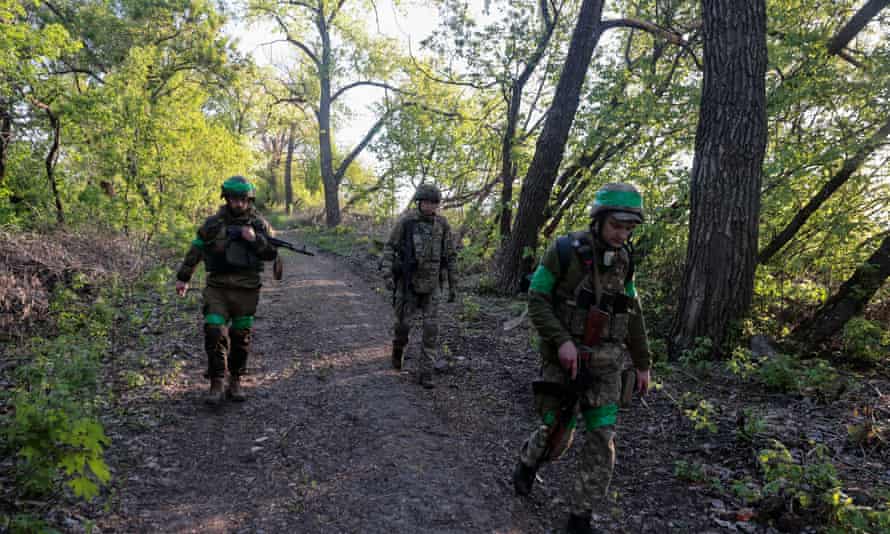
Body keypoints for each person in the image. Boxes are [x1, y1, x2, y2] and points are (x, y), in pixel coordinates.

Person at [512, 183, 653, 534]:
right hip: (565, 361)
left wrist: (643, 362)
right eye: (616, 226)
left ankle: (580, 517)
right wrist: (561, 341)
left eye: (629, 228)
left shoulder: (625, 261)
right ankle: (529, 461)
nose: (622, 234)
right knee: (557, 436)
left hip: (606, 366)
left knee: (602, 438)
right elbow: (537, 298)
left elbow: (632, 313)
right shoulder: (563, 251)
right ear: (599, 220)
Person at [175, 176, 277, 405]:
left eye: (242, 199)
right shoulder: (213, 223)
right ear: (226, 198)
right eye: (233, 199)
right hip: (218, 286)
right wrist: (184, 278)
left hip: (247, 288)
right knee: (213, 330)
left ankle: (236, 380)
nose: (238, 204)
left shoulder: (260, 224)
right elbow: (196, 249)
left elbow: (271, 253)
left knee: (241, 337)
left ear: (249, 199)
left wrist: (255, 240)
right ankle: (217, 381)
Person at [381, 183, 457, 389]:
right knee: (403, 325)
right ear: (419, 202)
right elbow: (389, 248)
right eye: (426, 202)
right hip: (408, 285)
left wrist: (453, 284)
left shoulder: (442, 225)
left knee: (431, 330)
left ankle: (426, 373)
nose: (430, 206)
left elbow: (450, 256)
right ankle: (398, 350)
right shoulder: (406, 222)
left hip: (432, 286)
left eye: (434, 203)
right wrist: (388, 275)